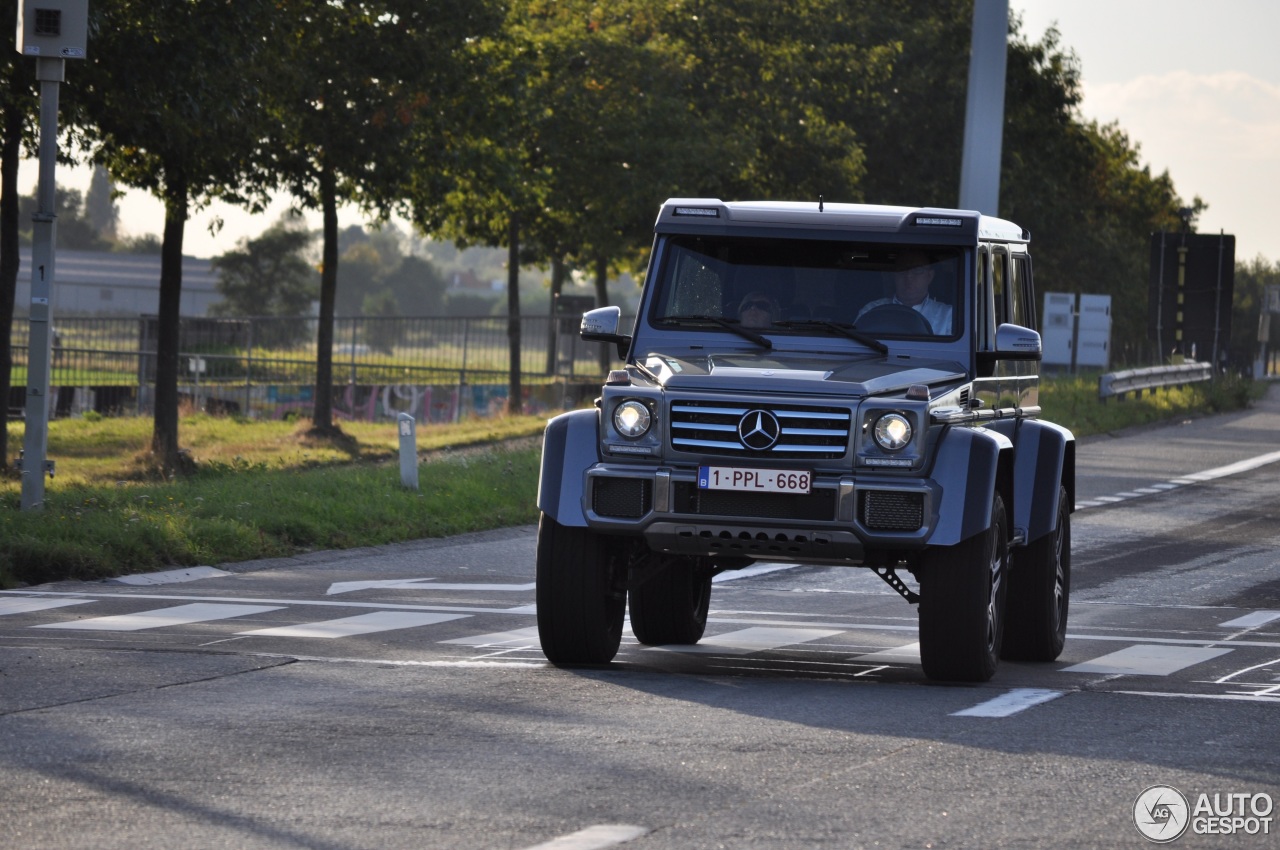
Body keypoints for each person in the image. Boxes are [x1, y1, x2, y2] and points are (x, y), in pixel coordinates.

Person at [856, 251, 952, 334]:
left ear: (929, 276)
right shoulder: (872, 310)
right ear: (894, 275)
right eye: (902, 269)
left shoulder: (947, 315)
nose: (909, 276)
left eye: (917, 270)